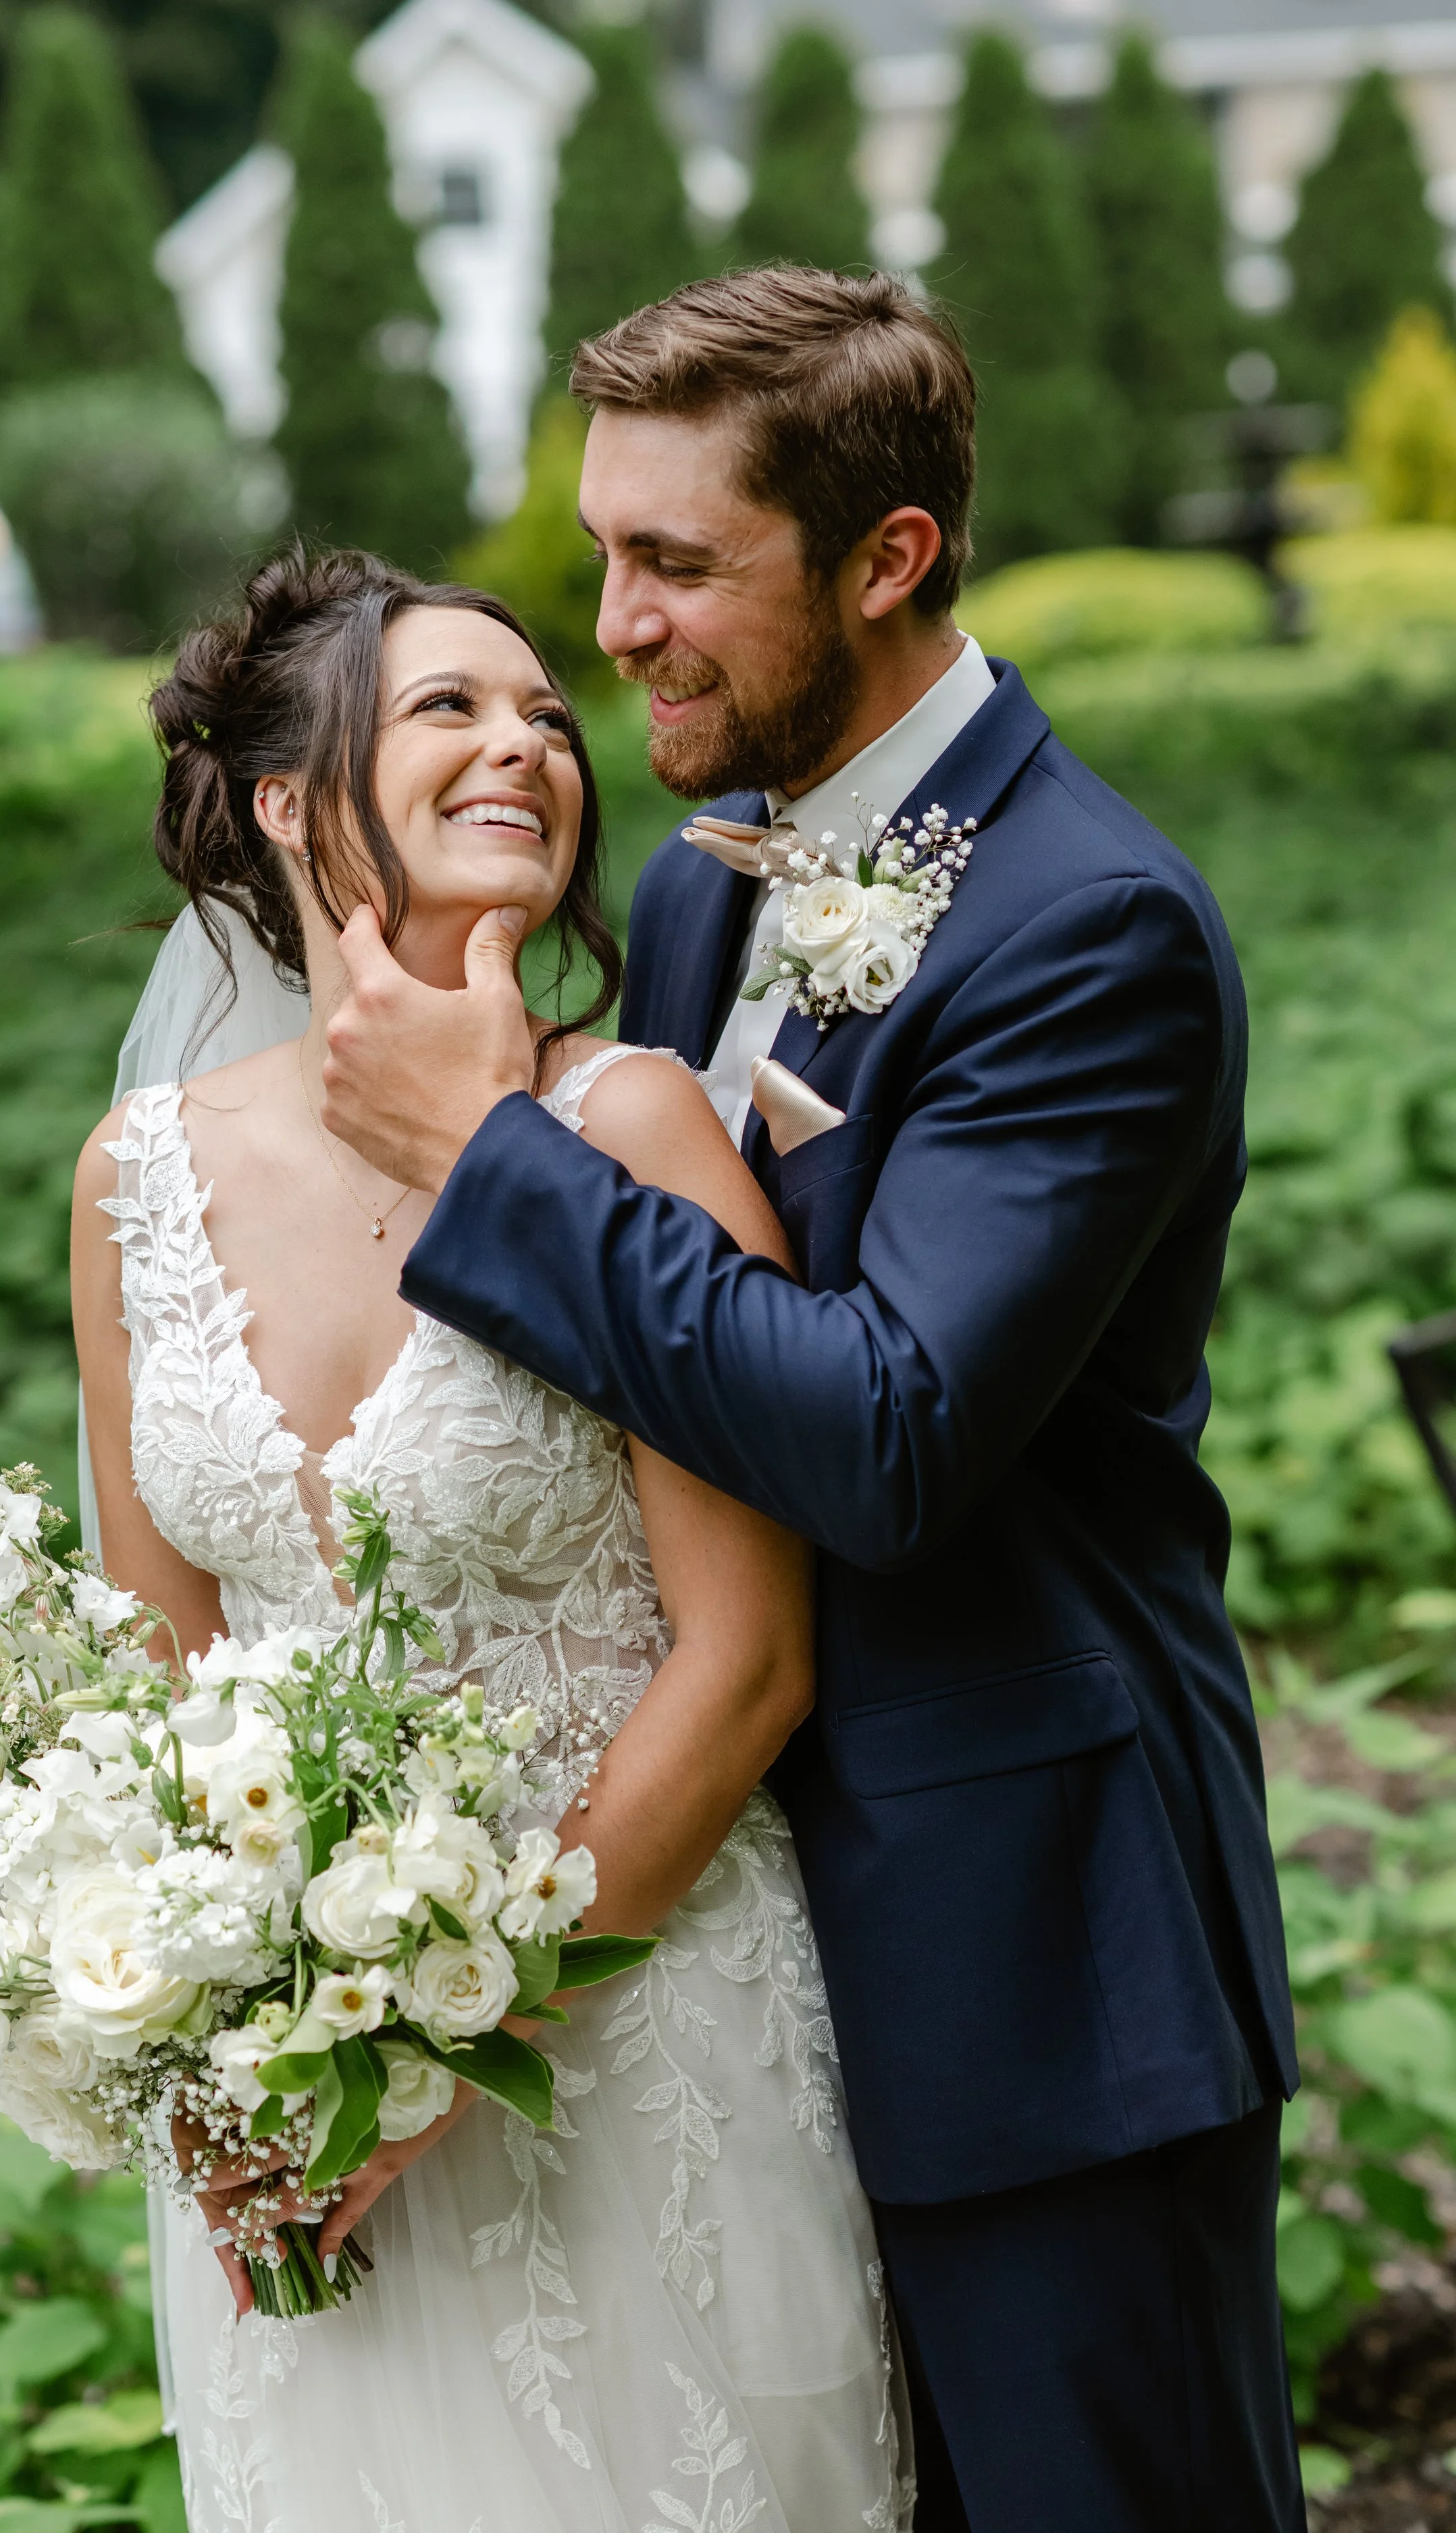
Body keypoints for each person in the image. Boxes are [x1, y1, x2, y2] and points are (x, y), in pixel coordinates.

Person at [309, 268, 1306, 2531]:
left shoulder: (1085, 928)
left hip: (1038, 1956)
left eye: (676, 565)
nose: (615, 627)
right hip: (746, 1983)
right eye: (602, 552)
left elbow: (886, 1434)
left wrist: (488, 1169)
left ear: (887, 559)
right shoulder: (692, 890)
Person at [72, 548, 907, 2533]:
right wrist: (238, 2038)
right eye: (450, 704)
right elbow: (150, 1668)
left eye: (544, 713)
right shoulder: (139, 1180)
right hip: (302, 2089)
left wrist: (449, 2046)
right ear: (287, 800)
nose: (527, 740)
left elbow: (750, 1656)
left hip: (637, 2045)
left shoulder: (633, 1126)